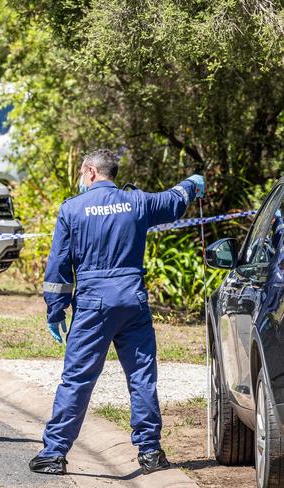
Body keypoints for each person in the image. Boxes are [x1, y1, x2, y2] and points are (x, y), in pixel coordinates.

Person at [28, 149, 205, 475]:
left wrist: (55, 311)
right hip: (132, 301)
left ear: (90, 171)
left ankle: (54, 453)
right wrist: (193, 183)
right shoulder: (136, 202)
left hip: (93, 304)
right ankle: (150, 453)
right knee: (141, 377)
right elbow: (173, 201)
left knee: (77, 379)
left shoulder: (72, 209)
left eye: (83, 174)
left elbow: (58, 267)